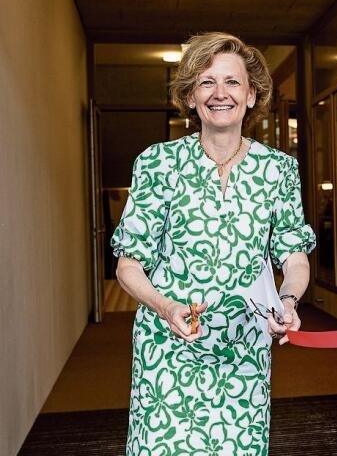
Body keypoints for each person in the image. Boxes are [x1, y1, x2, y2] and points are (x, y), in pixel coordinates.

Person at [111, 32, 316, 455]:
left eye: (232, 82)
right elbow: (128, 266)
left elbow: (294, 256)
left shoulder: (278, 170)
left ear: (253, 94)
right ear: (189, 96)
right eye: (206, 82)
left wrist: (288, 301)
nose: (219, 93)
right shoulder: (158, 163)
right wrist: (166, 307)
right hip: (168, 347)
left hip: (244, 350)